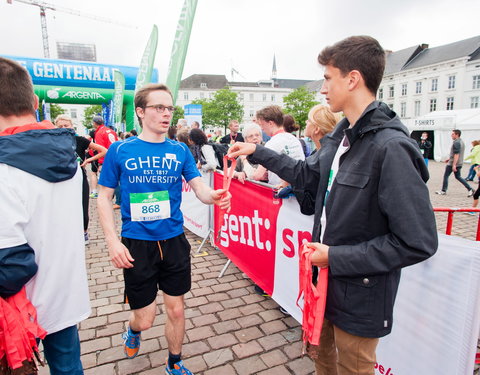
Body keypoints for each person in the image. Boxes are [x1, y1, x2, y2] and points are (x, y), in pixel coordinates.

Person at [228, 36, 438, 375]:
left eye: (328, 78)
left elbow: (418, 241)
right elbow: (306, 175)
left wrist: (335, 256)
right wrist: (257, 151)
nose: (323, 88)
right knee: (323, 363)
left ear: (352, 79)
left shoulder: (391, 147)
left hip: (360, 295)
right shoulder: (342, 135)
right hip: (323, 284)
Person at [97, 83, 231, 375]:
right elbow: (104, 197)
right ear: (141, 112)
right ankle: (133, 330)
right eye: (159, 107)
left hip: (173, 240)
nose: (166, 113)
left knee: (177, 309)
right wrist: (112, 242)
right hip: (137, 244)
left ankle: (174, 361)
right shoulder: (120, 149)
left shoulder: (180, 150)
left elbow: (200, 190)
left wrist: (215, 197)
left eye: (170, 108)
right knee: (145, 319)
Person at [0, 57, 90, 374]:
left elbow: (12, 263)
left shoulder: (4, 169)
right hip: (64, 297)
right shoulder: (68, 154)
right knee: (68, 366)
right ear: (35, 102)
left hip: (20, 313)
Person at [54, 114, 107, 242]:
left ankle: (84, 232)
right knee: (63, 207)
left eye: (66, 125)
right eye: (60, 126)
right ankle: (66, 233)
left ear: (72, 126)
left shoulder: (80, 140)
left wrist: (88, 160)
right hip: (60, 178)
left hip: (79, 177)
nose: (64, 128)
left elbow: (104, 150)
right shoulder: (53, 142)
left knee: (83, 205)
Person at [253, 105, 305, 186]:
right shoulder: (294, 139)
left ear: (270, 123)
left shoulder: (272, 143)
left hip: (281, 193)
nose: (262, 129)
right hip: (297, 190)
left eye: (262, 125)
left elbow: (257, 176)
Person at [435, 129, 474, 197]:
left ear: (457, 134)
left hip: (453, 164)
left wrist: (454, 165)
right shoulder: (461, 141)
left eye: (453, 134)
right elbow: (456, 154)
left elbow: (457, 154)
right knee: (458, 177)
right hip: (458, 162)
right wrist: (449, 159)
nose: (451, 135)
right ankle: (470, 189)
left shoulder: (456, 142)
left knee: (446, 176)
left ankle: (443, 190)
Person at [89, 116, 118, 198]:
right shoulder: (112, 131)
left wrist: (100, 163)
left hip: (106, 159)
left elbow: (101, 150)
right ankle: (117, 199)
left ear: (95, 123)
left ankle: (109, 198)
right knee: (116, 178)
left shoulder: (99, 133)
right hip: (115, 156)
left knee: (107, 181)